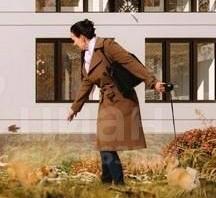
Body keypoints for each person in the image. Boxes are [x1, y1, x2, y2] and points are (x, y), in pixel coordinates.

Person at [66, 19, 167, 185]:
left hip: (121, 99)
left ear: (82, 37)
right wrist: (74, 108)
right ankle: (106, 182)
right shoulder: (87, 56)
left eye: (74, 39)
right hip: (106, 101)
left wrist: (153, 82)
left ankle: (119, 185)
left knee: (106, 143)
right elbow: (87, 83)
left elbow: (131, 63)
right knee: (104, 142)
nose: (74, 44)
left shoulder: (107, 46)